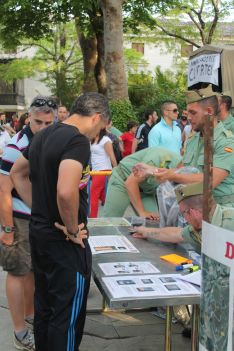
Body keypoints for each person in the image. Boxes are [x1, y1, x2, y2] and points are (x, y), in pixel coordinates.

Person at [10, 92, 110, 351]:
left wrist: (41, 209)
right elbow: (66, 191)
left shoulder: (44, 134)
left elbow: (17, 173)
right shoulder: (77, 141)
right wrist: (73, 228)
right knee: (65, 316)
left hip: (41, 234)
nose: (98, 133)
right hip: (64, 242)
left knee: (45, 309)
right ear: (96, 117)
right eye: (100, 127)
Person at [0, 95, 56, 351]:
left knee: (33, 271)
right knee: (17, 272)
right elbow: (2, 191)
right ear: (28, 119)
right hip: (19, 221)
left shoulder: (48, 140)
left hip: (38, 219)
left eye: (48, 122)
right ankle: (20, 332)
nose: (43, 127)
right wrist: (8, 229)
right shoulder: (16, 146)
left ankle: (31, 316)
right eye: (38, 122)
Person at [133, 85, 234, 208]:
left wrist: (172, 176)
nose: (188, 117)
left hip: (222, 214)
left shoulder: (226, 142)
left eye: (193, 113)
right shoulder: (193, 140)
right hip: (196, 210)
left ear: (209, 111)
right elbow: (179, 170)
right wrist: (151, 170)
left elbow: (209, 182)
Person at [131, 182, 234, 253]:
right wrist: (146, 231)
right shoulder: (202, 225)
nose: (184, 218)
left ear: (193, 213)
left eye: (182, 213)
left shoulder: (229, 223)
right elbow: (177, 233)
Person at [103, 147, 182, 218]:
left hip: (146, 190)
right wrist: (142, 212)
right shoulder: (158, 157)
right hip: (123, 181)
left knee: (153, 221)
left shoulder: (185, 172)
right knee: (111, 221)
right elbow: (131, 183)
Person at [90, 128, 117, 217]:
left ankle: (92, 218)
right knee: (102, 195)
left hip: (103, 170)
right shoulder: (92, 138)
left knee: (93, 194)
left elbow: (112, 156)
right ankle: (111, 207)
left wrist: (116, 170)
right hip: (95, 170)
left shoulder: (105, 140)